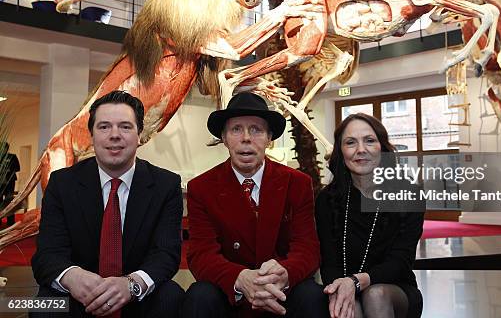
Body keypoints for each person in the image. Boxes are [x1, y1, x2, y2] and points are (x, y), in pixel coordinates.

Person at [31, 90, 185, 318]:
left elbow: (166, 254)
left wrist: (131, 285)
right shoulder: (62, 183)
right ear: (91, 135)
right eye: (104, 127)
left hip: (136, 297)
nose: (115, 135)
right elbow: (47, 253)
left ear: (140, 134)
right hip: (78, 296)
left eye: (125, 126)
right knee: (42, 306)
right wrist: (73, 277)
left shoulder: (166, 185)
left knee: (173, 297)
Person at [183, 92, 327, 318]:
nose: (246, 138)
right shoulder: (202, 188)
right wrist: (239, 278)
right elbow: (201, 254)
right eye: (236, 129)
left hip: (282, 293)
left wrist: (283, 275)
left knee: (312, 295)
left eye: (256, 130)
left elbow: (307, 248)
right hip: (232, 295)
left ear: (270, 138)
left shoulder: (297, 183)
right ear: (224, 137)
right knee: (200, 295)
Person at [316, 113, 424, 318]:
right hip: (345, 287)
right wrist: (341, 288)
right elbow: (329, 262)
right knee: (350, 306)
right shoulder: (327, 200)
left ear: (382, 148)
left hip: (395, 291)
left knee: (375, 295)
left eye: (369, 141)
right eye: (350, 143)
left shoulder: (409, 193)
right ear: (340, 151)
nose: (361, 150)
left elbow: (401, 261)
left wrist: (357, 281)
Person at [0, 142, 20, 226]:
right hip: (0, 183)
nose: (3, 149)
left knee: (9, 201)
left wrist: (8, 171)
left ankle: (10, 221)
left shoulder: (12, 156)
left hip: (10, 182)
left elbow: (18, 168)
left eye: (5, 147)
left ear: (7, 148)